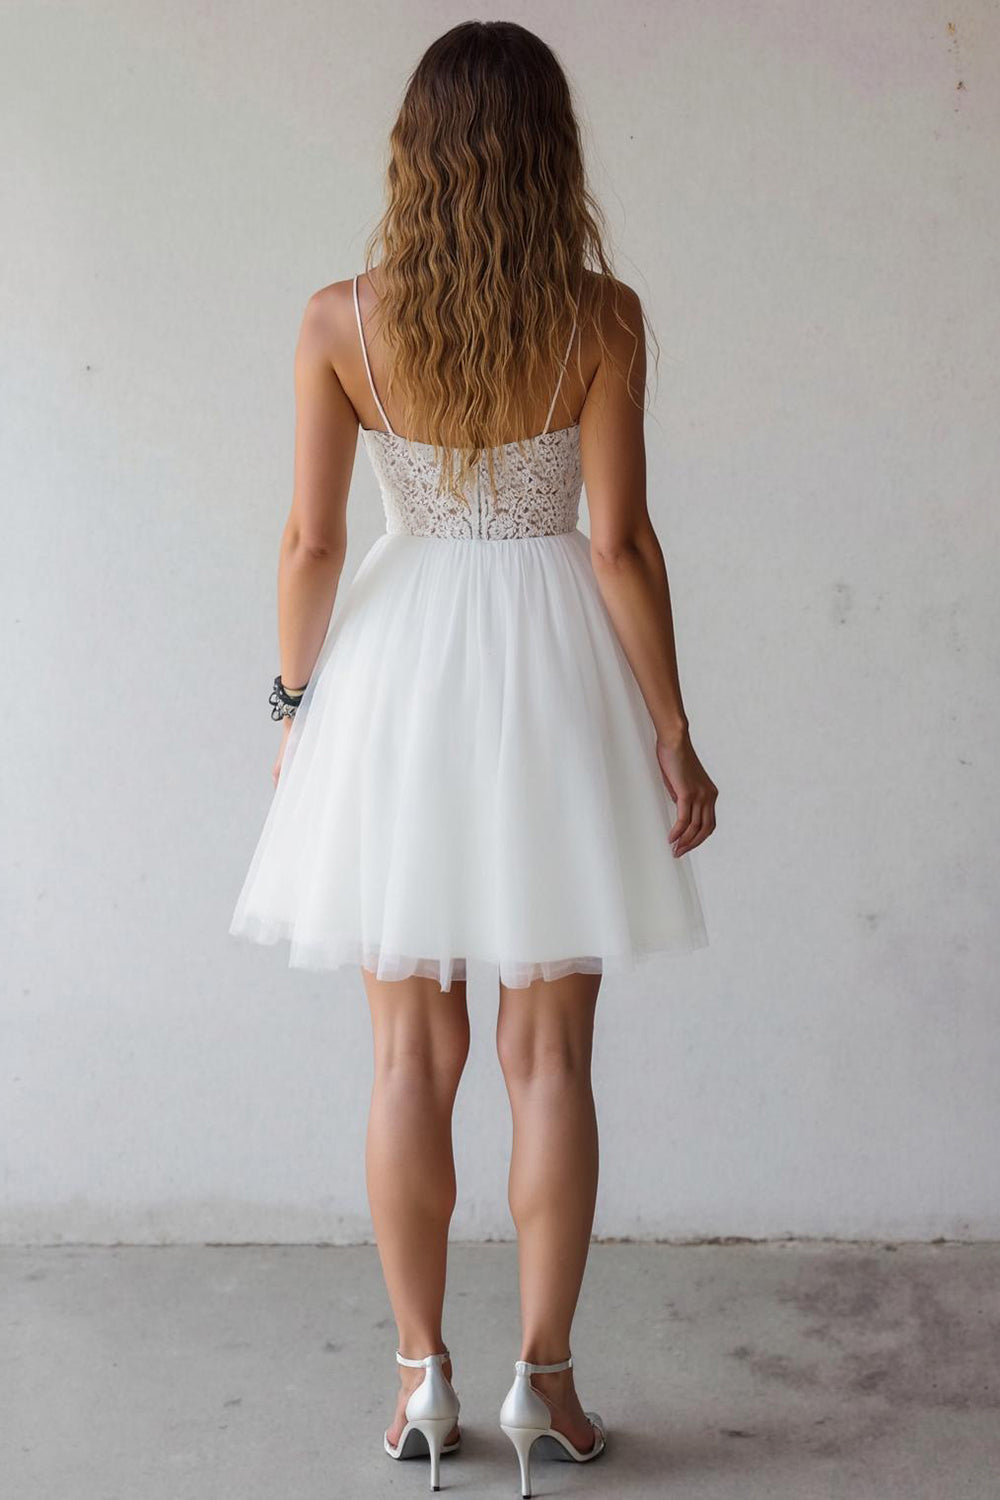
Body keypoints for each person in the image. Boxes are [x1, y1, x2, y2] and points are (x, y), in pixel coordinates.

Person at [230, 19, 718, 1495]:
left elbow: (315, 542)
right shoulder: (602, 315)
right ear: (552, 151)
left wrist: (294, 710)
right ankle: (547, 1385)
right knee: (548, 1051)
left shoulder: (340, 322)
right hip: (552, 672)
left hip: (394, 679)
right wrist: (676, 729)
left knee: (407, 1050)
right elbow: (618, 542)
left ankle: (417, 1379)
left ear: (416, 152)